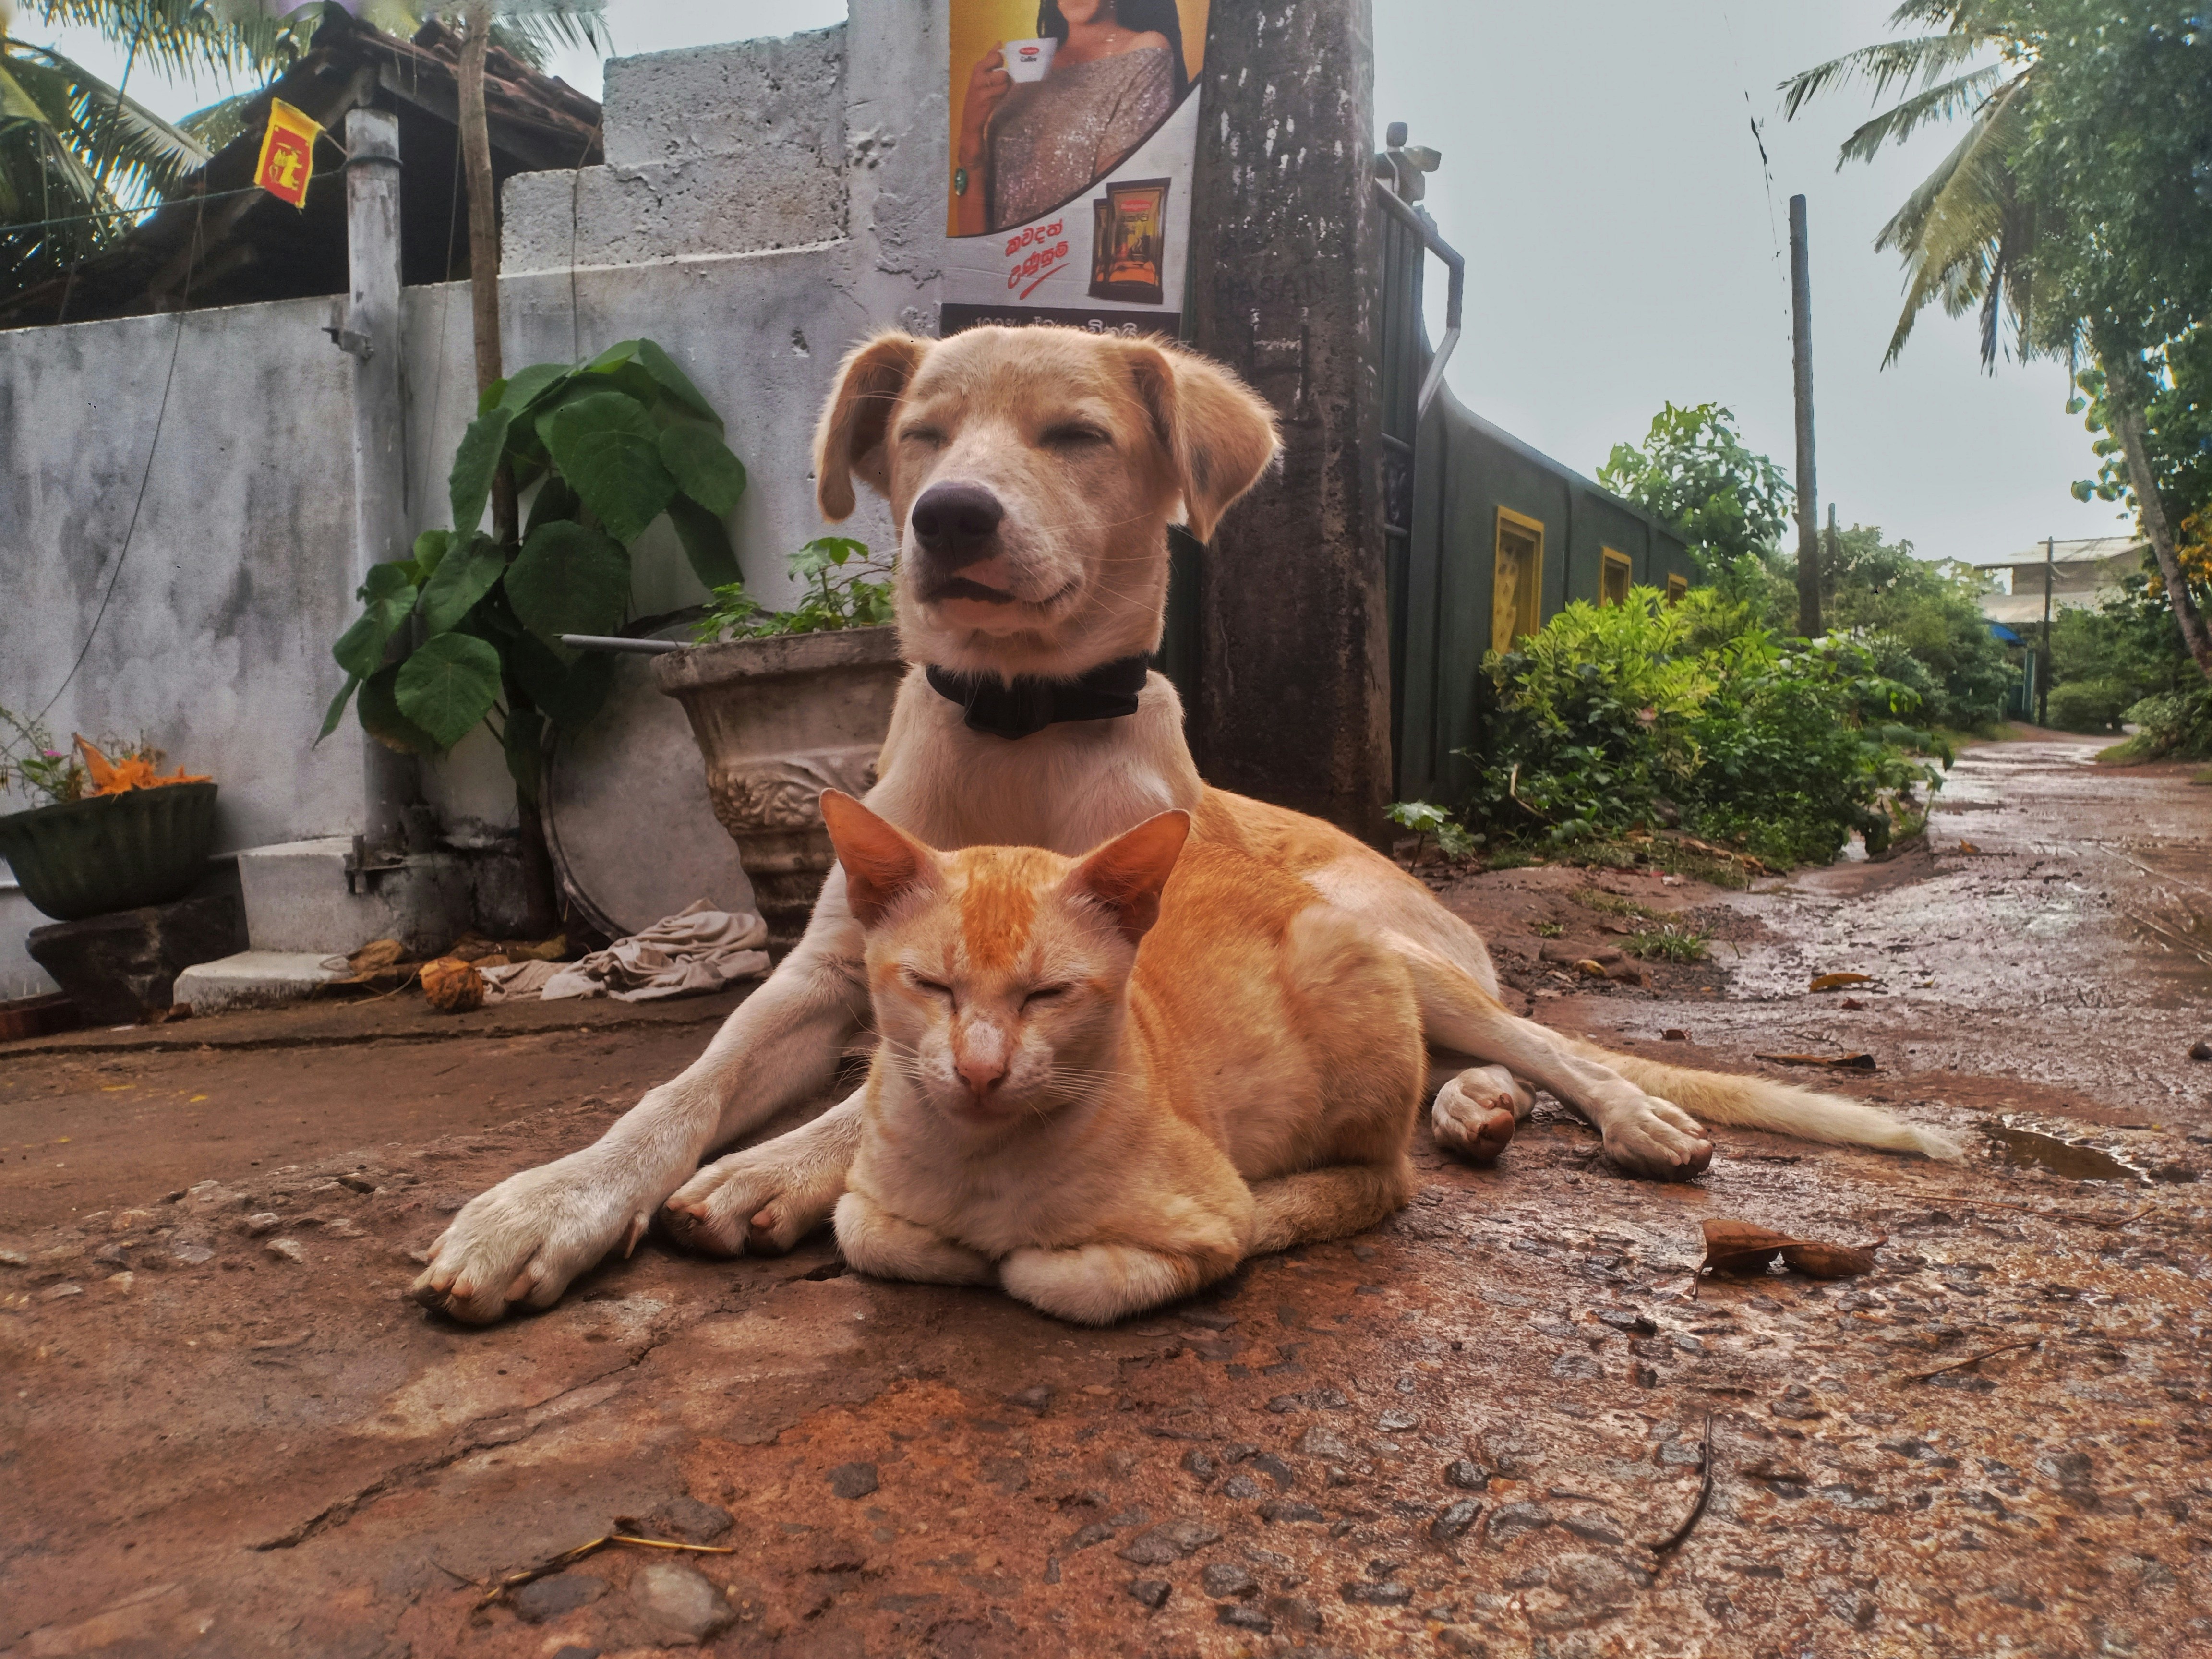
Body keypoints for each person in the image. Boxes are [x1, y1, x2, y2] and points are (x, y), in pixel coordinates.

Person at [954, 0, 1188, 236]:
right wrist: (970, 132)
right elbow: (973, 241)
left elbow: (1120, 217)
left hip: (1066, 257)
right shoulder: (1028, 67)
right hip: (1001, 259)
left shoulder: (1145, 51)